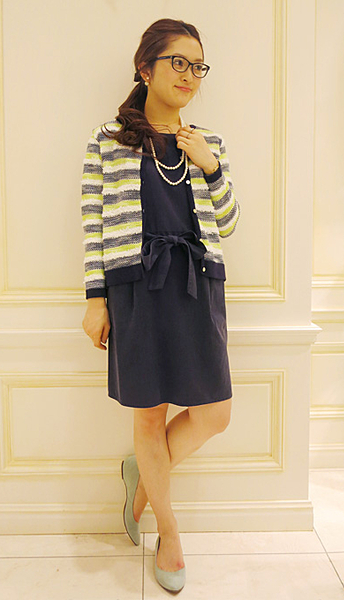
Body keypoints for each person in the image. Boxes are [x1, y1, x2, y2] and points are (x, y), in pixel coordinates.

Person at [81, 18, 240, 593]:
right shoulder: (108, 140)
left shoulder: (207, 142)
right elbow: (94, 225)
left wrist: (210, 165)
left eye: (198, 66)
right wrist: (96, 298)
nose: (190, 75)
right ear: (145, 67)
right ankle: (168, 532)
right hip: (136, 286)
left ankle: (142, 475)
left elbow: (229, 222)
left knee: (215, 413)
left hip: (198, 285)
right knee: (148, 414)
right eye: (179, 62)